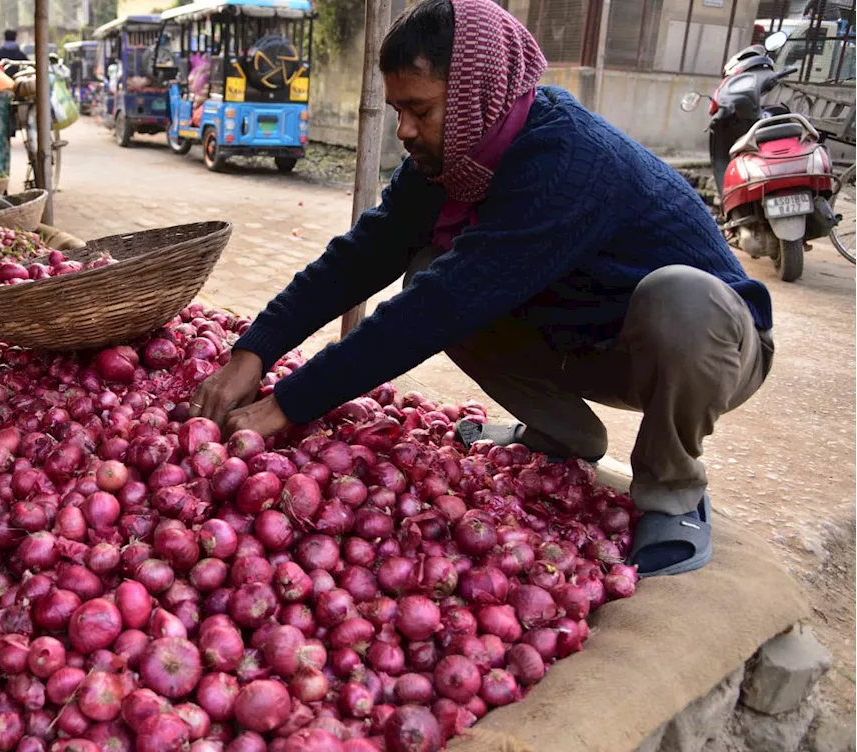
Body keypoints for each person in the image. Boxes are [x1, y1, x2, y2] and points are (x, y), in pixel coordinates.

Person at [191, 0, 774, 579]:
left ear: (476, 97)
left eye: (419, 108)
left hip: (710, 345)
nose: (405, 130)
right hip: (589, 340)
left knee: (678, 298)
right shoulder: (450, 160)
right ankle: (564, 433)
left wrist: (286, 405)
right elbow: (362, 256)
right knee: (428, 268)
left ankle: (673, 491)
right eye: (398, 109)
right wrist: (256, 350)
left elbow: (434, 311)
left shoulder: (566, 160)